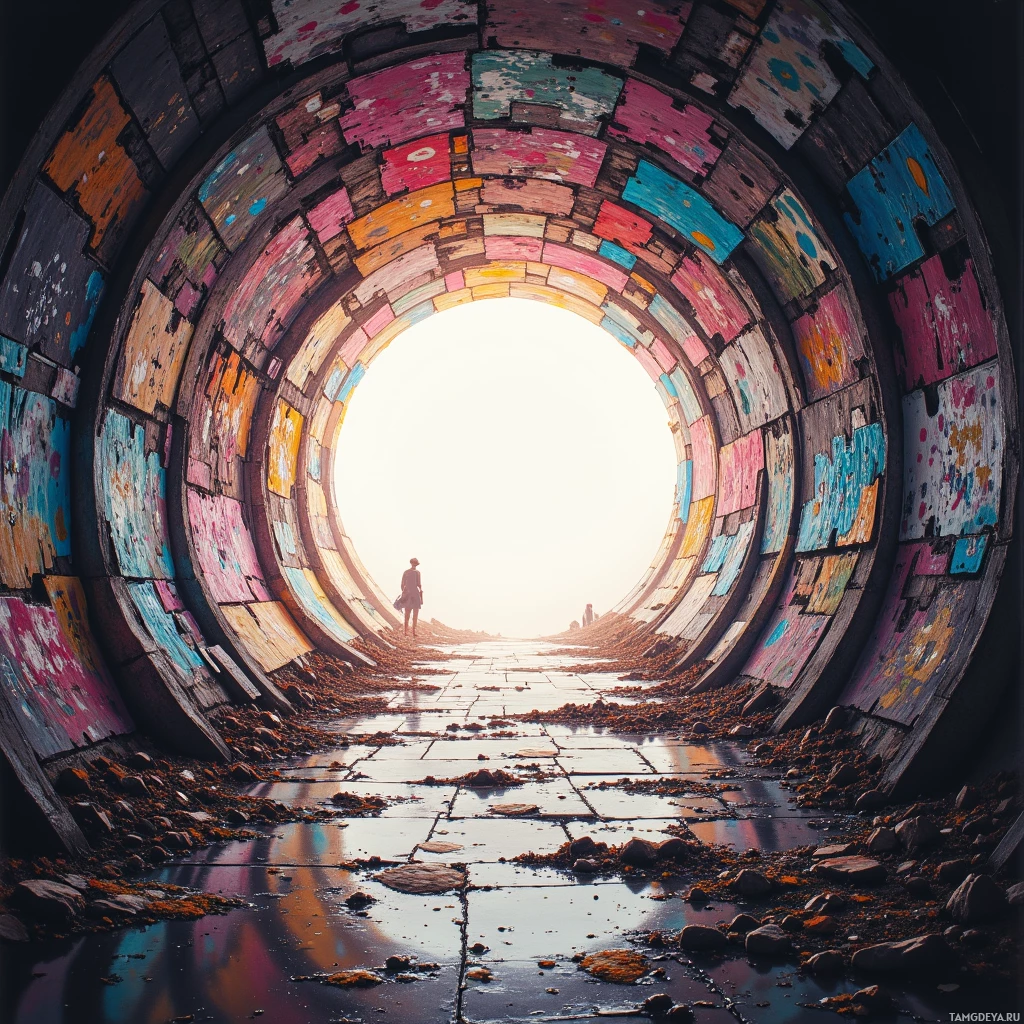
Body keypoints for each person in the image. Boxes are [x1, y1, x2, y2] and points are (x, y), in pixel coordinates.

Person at [396, 558, 423, 636]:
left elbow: (402, 584)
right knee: (411, 614)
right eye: (414, 563)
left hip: (411, 594)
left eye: (415, 563)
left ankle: (409, 632)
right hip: (413, 594)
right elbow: (419, 585)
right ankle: (409, 632)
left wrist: (404, 592)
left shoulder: (408, 572)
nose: (414, 565)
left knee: (411, 614)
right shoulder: (415, 572)